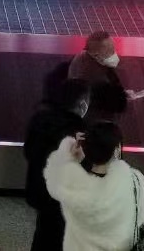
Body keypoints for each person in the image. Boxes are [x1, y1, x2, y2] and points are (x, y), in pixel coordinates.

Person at [44, 122, 144, 251]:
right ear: (117, 149)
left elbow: (53, 176)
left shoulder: (73, 185)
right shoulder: (134, 179)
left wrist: (70, 155)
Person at [23, 79, 91, 251]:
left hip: (40, 193)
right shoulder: (81, 132)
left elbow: (28, 152)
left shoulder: (40, 120)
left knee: (43, 235)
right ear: (83, 105)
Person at [69, 32, 144, 122]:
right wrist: (122, 97)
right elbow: (108, 100)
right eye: (110, 51)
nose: (114, 54)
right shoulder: (90, 71)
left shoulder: (87, 58)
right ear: (96, 55)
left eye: (113, 49)